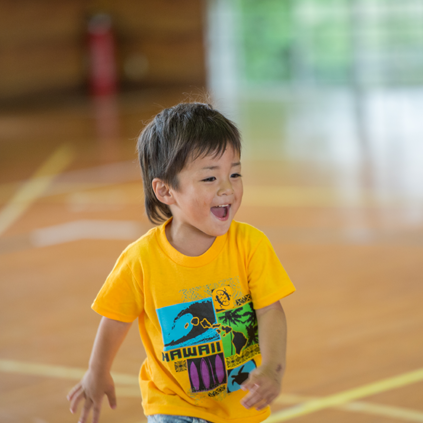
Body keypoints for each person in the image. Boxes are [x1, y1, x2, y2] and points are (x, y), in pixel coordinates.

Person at [67, 102, 295, 423]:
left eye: (234, 173)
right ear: (165, 191)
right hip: (172, 405)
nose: (227, 188)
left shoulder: (251, 245)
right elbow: (115, 319)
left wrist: (272, 367)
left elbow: (270, 310)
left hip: (239, 408)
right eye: (209, 179)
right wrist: (97, 371)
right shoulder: (141, 260)